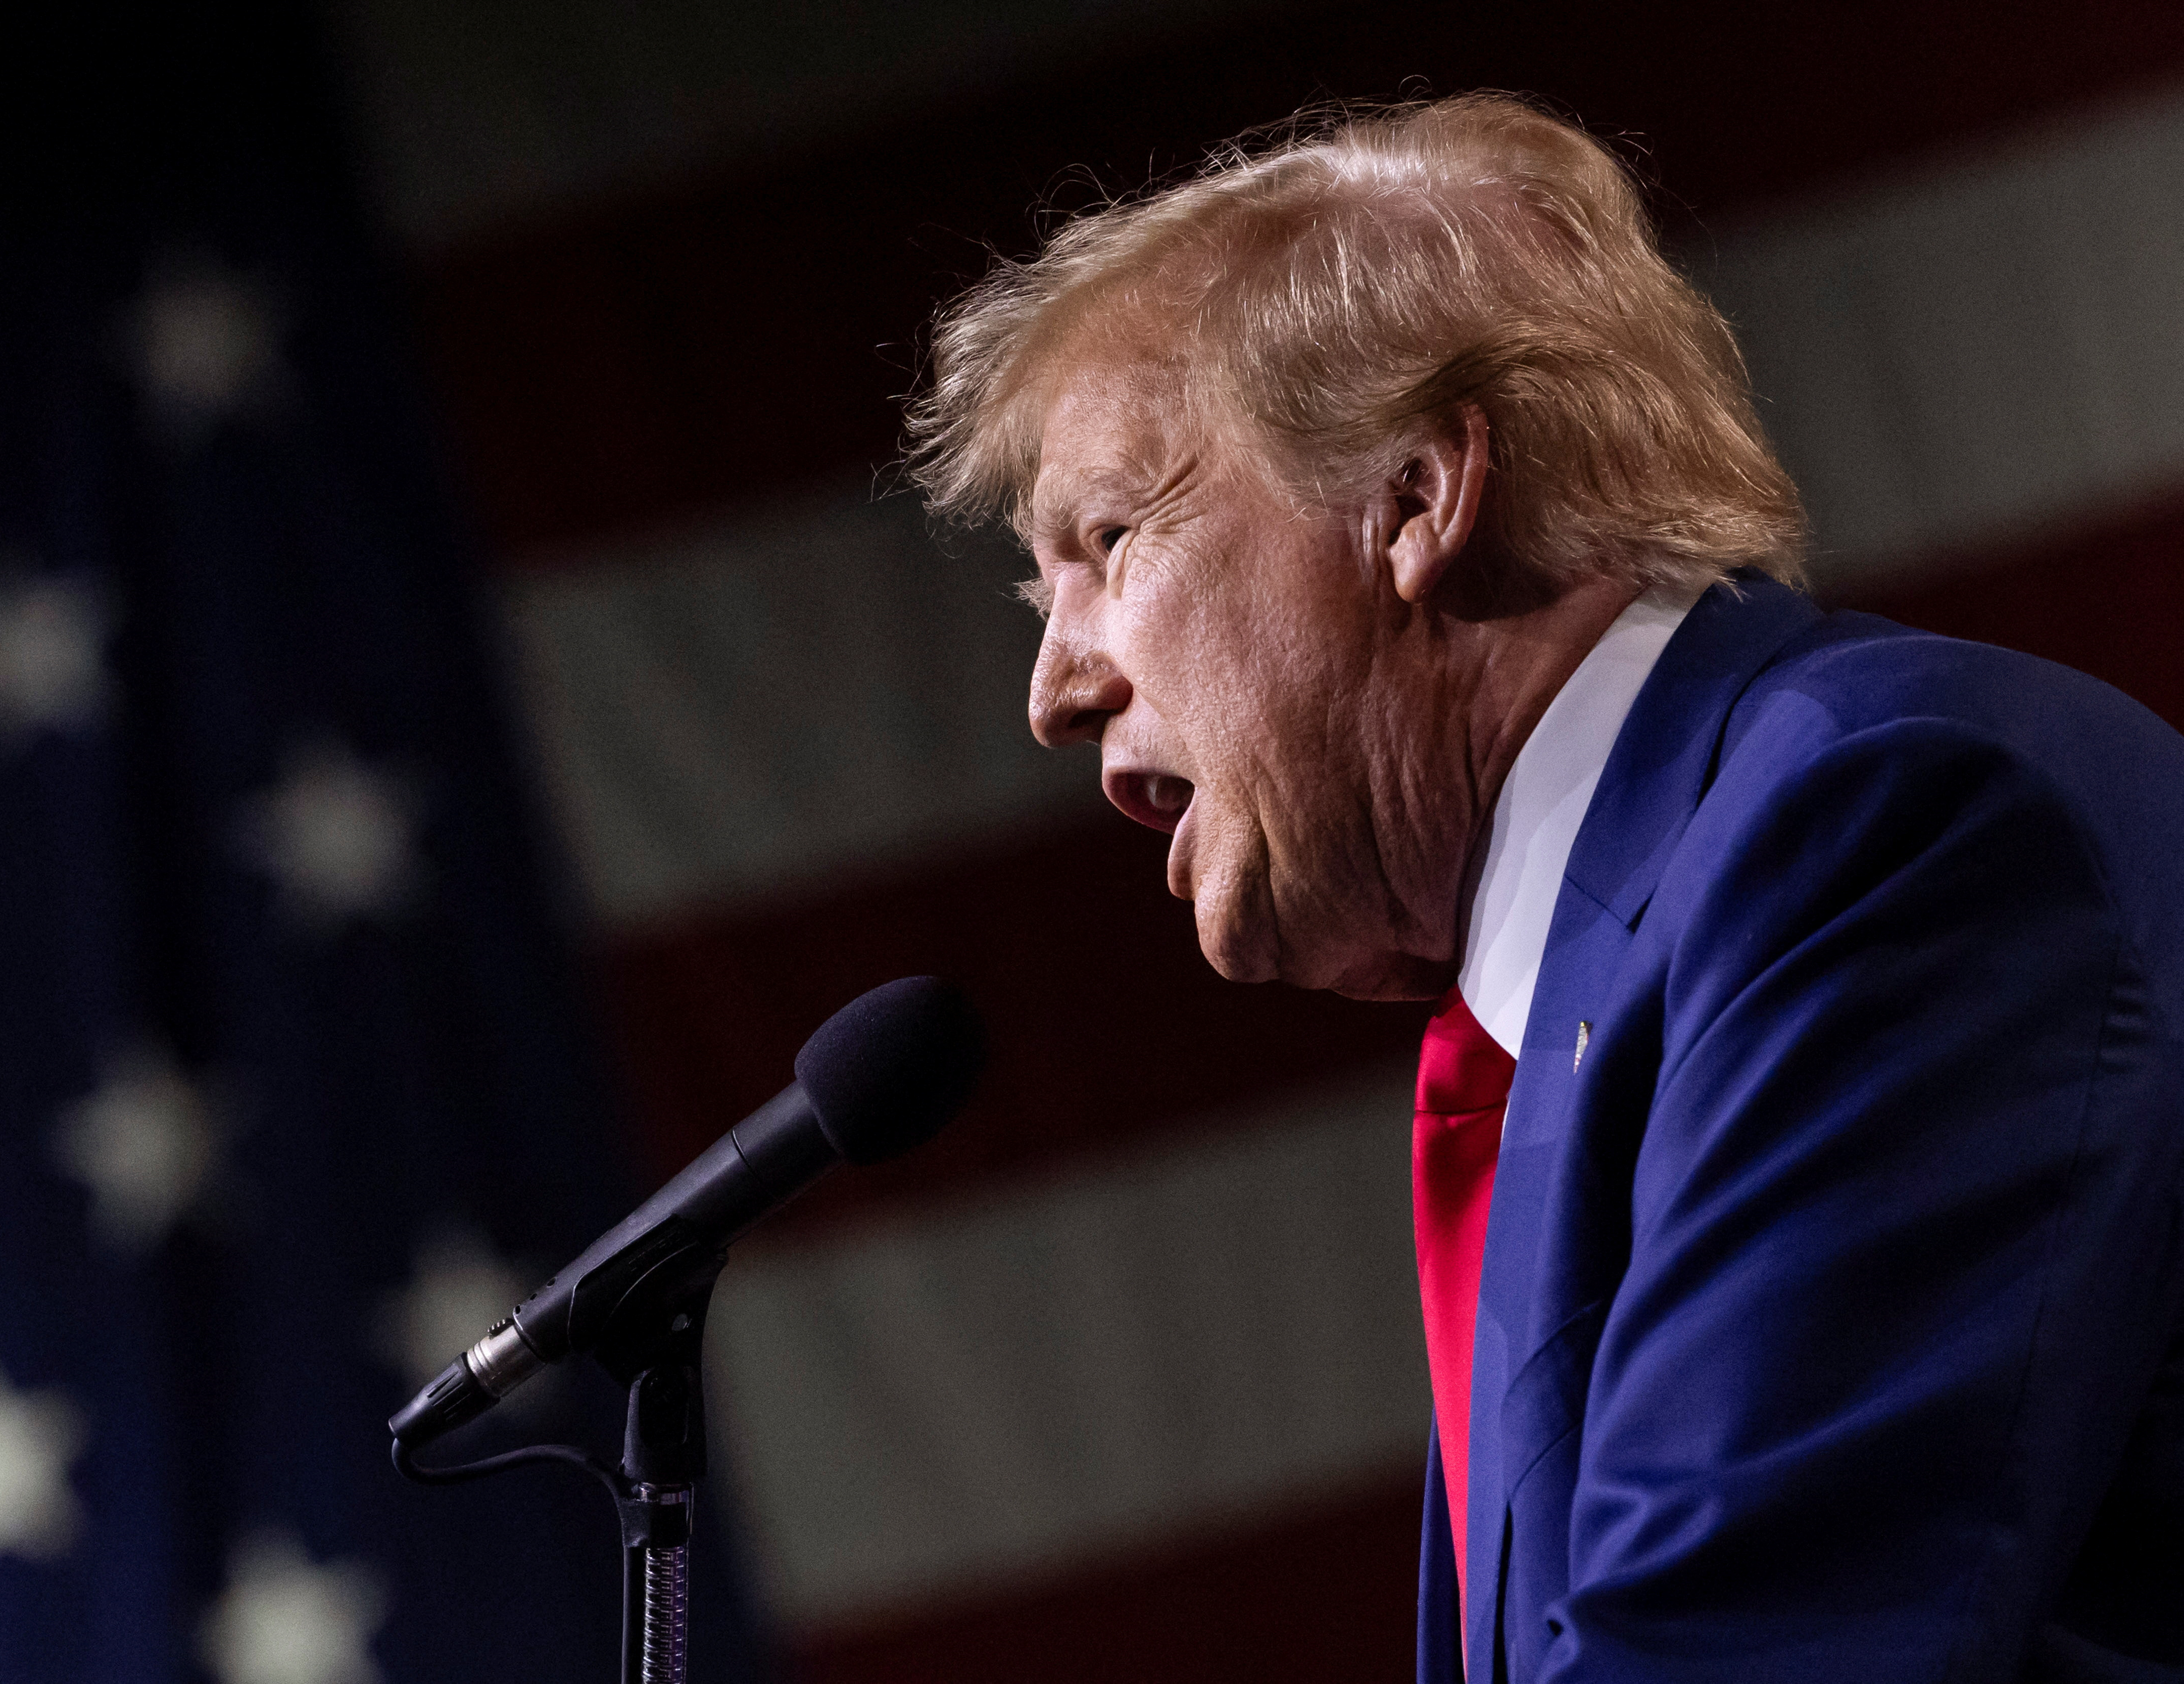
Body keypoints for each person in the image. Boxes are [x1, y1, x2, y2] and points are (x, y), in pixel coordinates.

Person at [905, 93, 2184, 1682]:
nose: (1054, 688)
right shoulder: (1578, 995)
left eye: (1110, 536)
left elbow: (1744, 1649)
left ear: (1417, 501)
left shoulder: (1875, 831)